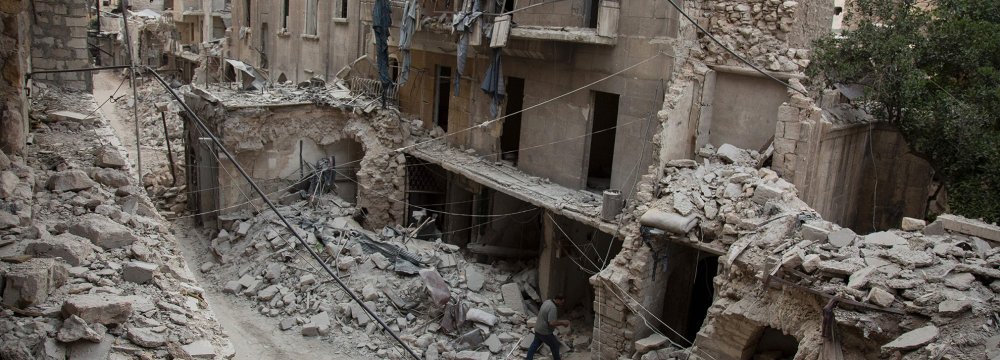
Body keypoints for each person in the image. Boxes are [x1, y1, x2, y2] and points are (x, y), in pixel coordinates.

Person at [526, 295, 569, 360]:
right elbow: (551, 323)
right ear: (558, 300)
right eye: (561, 302)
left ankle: (528, 359)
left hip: (538, 328)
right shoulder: (553, 308)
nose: (561, 304)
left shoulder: (547, 301)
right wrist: (563, 323)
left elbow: (545, 316)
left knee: (535, 344)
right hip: (544, 332)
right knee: (555, 345)